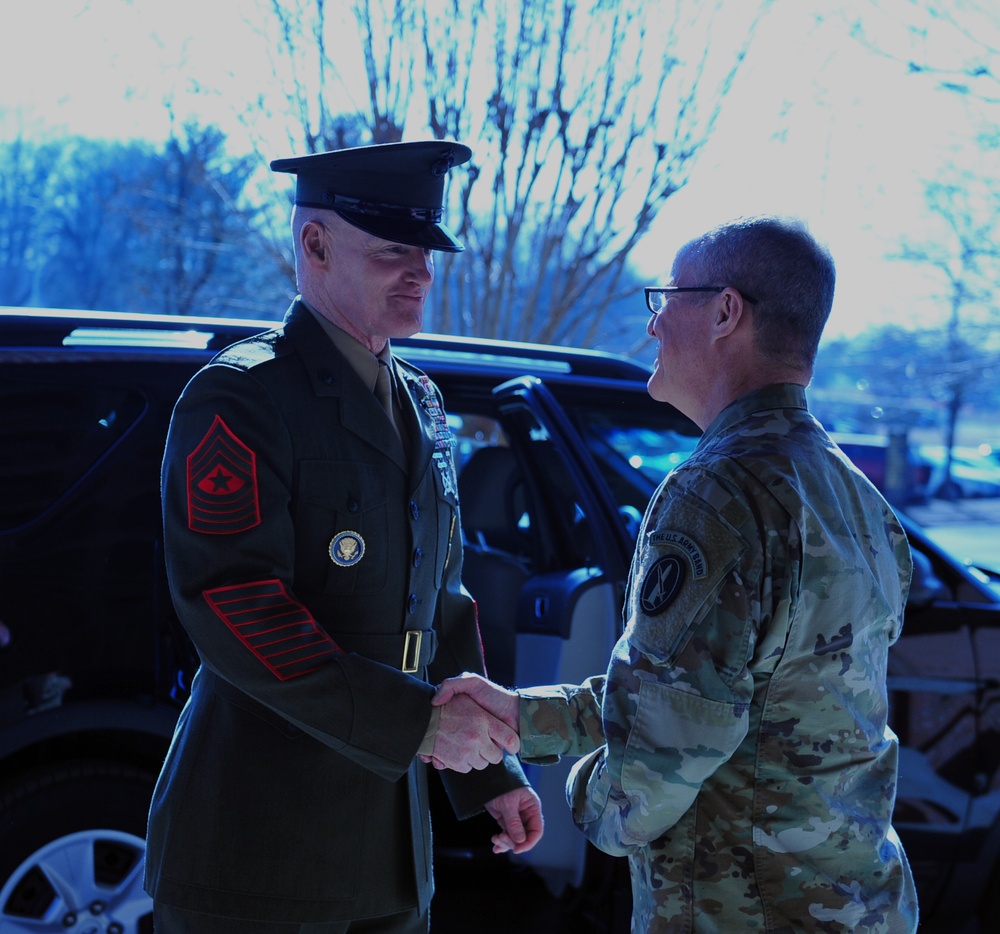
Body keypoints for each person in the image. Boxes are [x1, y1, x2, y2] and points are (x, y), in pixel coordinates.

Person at [435, 216, 919, 931]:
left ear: (726, 312)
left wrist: (583, 801)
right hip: (857, 905)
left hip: (744, 907)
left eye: (664, 299)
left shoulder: (718, 493)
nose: (653, 326)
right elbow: (721, 687)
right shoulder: (856, 497)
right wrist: (522, 717)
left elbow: (667, 744)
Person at [144, 140, 542, 933]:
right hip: (259, 842)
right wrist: (418, 723)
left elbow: (442, 606)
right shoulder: (241, 396)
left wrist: (488, 770)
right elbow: (234, 603)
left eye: (426, 251)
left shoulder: (423, 403)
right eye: (394, 250)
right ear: (315, 245)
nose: (421, 273)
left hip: (388, 853)